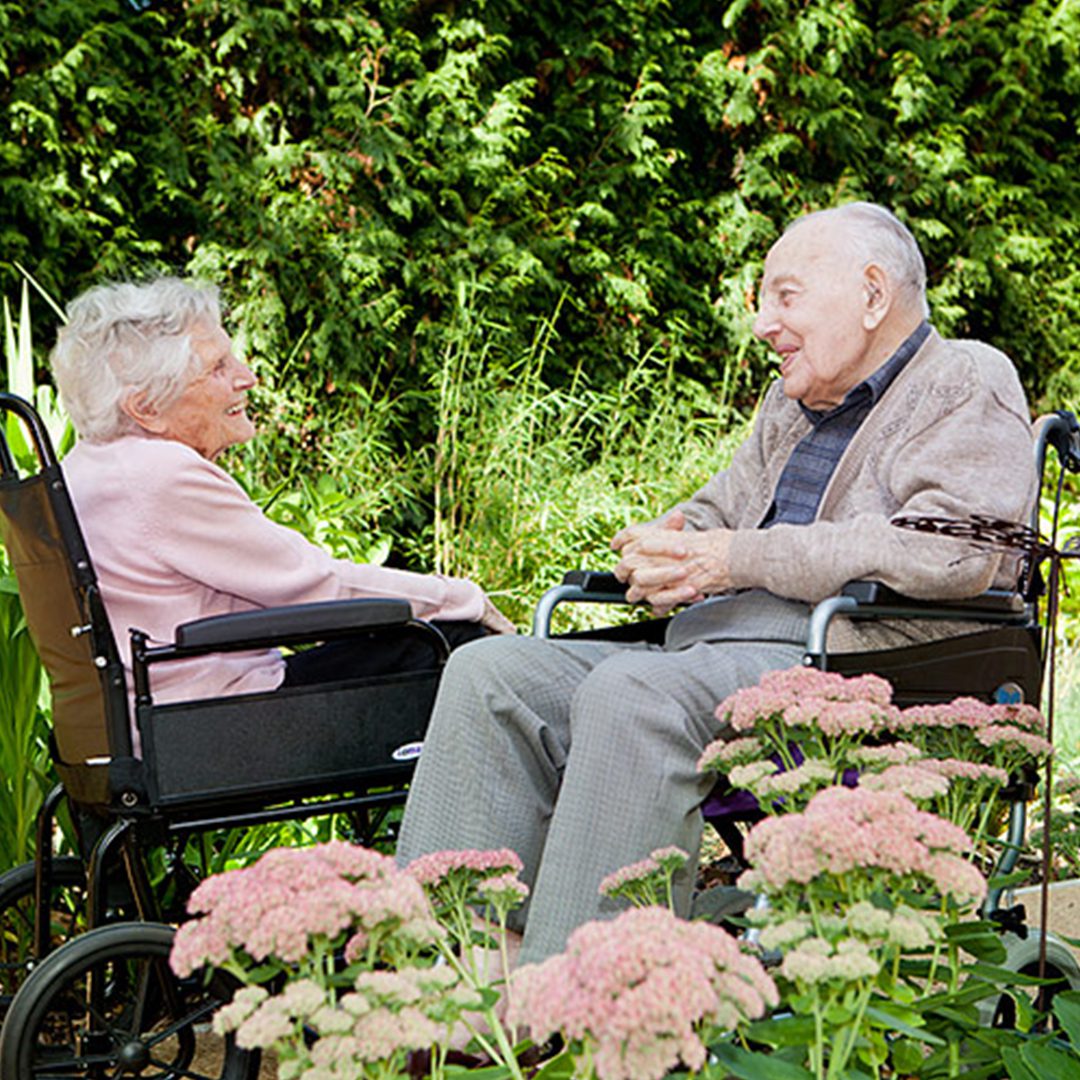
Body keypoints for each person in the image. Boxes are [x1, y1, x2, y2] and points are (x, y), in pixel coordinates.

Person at [395, 202, 1037, 966]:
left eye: (785, 295)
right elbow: (723, 508)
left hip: (858, 663)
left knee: (633, 693)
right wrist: (674, 544)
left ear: (872, 295)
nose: (764, 323)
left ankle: (583, 1004)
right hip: (718, 653)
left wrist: (739, 560)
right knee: (489, 673)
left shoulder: (963, 377)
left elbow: (954, 553)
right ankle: (456, 977)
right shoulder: (792, 407)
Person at [51, 277, 514, 730]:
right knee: (454, 645)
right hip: (210, 727)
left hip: (148, 725)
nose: (246, 378)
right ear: (146, 407)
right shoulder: (159, 476)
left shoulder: (82, 469)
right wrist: (461, 598)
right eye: (217, 368)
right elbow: (317, 585)